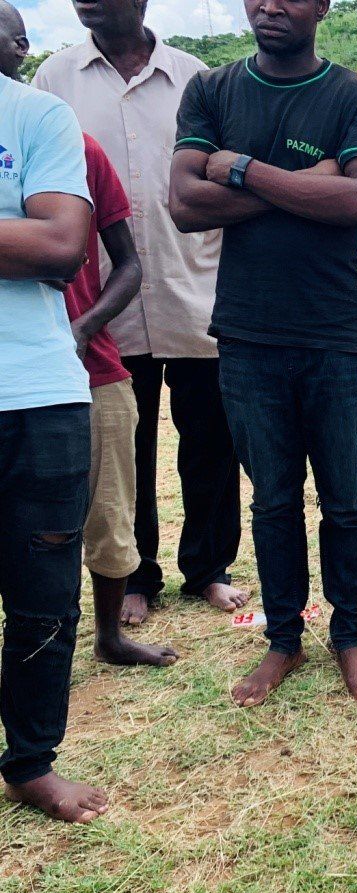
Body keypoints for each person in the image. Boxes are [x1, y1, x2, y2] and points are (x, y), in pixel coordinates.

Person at [169, 0, 357, 707]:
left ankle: (349, 633)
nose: (269, 5)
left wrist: (240, 169)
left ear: (322, 5)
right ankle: (283, 640)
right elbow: (184, 204)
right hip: (248, 334)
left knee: (347, 500)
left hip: (336, 333)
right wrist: (309, 182)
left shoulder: (355, 96)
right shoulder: (212, 90)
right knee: (272, 501)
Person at [35, 0, 245, 625]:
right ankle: (133, 576)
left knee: (211, 440)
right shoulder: (55, 78)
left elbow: (222, 177)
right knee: (126, 446)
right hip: (104, 299)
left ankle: (209, 568)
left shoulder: (194, 76)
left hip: (194, 288)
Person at [0, 0, 106, 823]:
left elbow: (62, 245)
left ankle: (31, 760)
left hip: (37, 392)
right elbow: (29, 238)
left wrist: (34, 239)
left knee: (43, 594)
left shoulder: (37, 115)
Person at [63, 132, 179, 667]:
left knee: (110, 510)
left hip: (92, 366)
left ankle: (108, 636)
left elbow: (129, 264)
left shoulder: (75, 146)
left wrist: (85, 327)